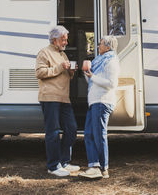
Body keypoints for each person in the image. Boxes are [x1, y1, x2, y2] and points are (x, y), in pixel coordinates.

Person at [35, 25, 80, 177]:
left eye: (66, 39)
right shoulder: (44, 53)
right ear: (54, 40)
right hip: (50, 98)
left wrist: (71, 72)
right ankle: (53, 166)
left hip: (64, 98)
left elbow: (64, 74)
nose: (66, 42)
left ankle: (64, 162)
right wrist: (60, 67)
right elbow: (40, 73)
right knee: (53, 132)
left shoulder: (63, 55)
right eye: (63, 39)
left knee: (72, 129)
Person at [79, 35, 120, 179]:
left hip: (103, 101)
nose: (98, 46)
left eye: (101, 44)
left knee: (98, 135)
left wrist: (93, 77)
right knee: (89, 134)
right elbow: (92, 80)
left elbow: (112, 83)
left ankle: (103, 168)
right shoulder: (98, 61)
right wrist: (87, 73)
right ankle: (94, 166)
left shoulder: (111, 61)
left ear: (108, 47)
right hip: (95, 101)